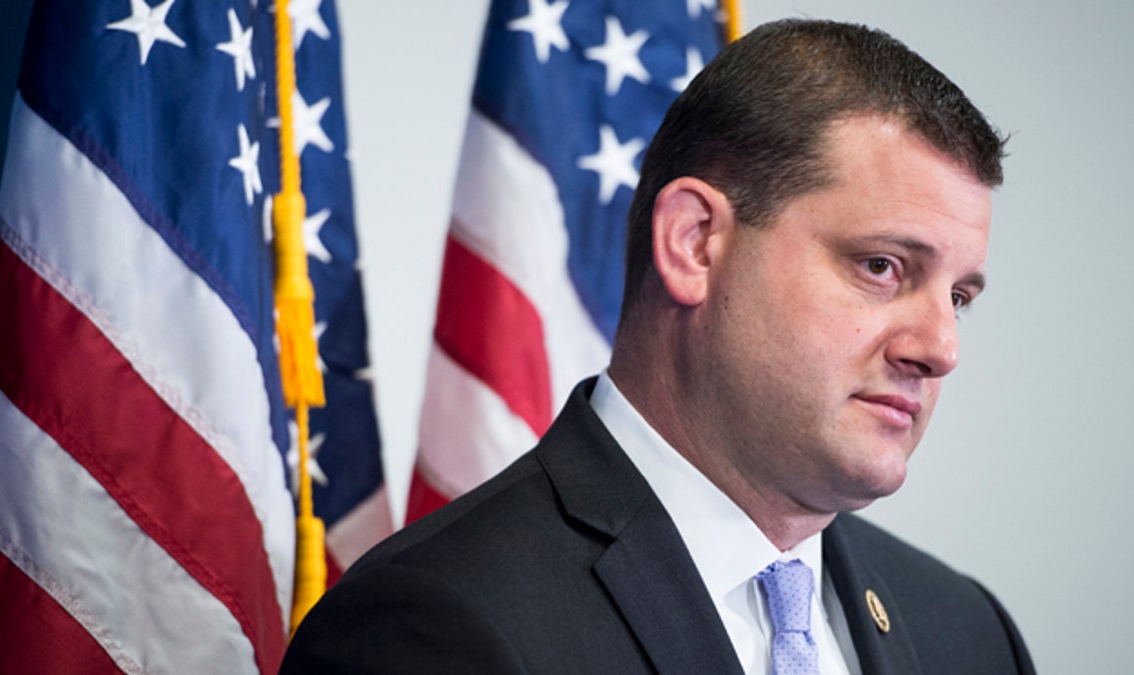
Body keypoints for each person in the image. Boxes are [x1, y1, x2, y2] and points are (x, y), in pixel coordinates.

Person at [282, 19, 1035, 674]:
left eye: (959, 297)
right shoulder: (432, 627)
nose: (941, 347)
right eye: (882, 266)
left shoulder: (969, 633)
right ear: (694, 243)